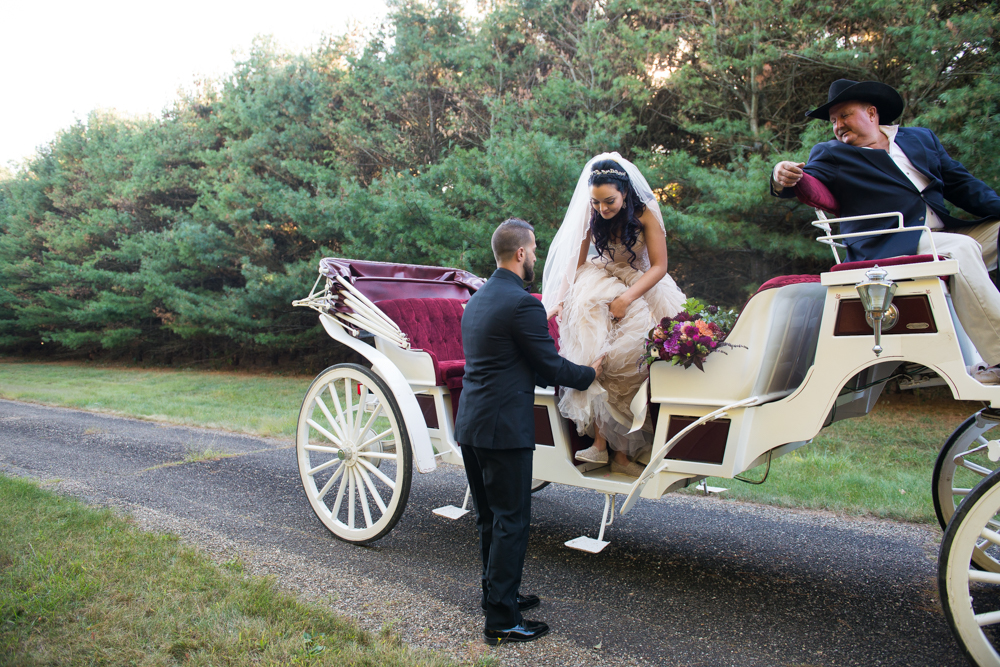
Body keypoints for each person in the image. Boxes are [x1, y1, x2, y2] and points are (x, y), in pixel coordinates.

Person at [770, 79, 1000, 383]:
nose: (838, 125)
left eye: (845, 115)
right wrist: (782, 176)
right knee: (961, 250)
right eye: (833, 120)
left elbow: (963, 185)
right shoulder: (832, 153)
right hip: (888, 243)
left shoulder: (920, 139)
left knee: (970, 242)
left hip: (941, 234)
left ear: (872, 112)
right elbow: (808, 181)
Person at [455, 218, 602, 645]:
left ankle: (498, 596)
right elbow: (549, 366)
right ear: (520, 253)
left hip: (473, 424)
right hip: (503, 429)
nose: (536, 256)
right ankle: (501, 621)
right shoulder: (522, 303)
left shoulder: (479, 300)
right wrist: (593, 373)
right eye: (534, 249)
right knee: (511, 521)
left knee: (489, 519)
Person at [542, 153, 686, 476]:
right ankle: (600, 443)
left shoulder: (647, 211)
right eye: (596, 203)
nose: (602, 209)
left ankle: (623, 452)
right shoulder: (590, 212)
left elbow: (660, 266)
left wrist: (627, 298)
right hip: (602, 278)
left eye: (609, 202)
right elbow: (575, 264)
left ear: (625, 193)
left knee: (630, 354)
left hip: (640, 284)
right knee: (594, 345)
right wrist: (561, 299)